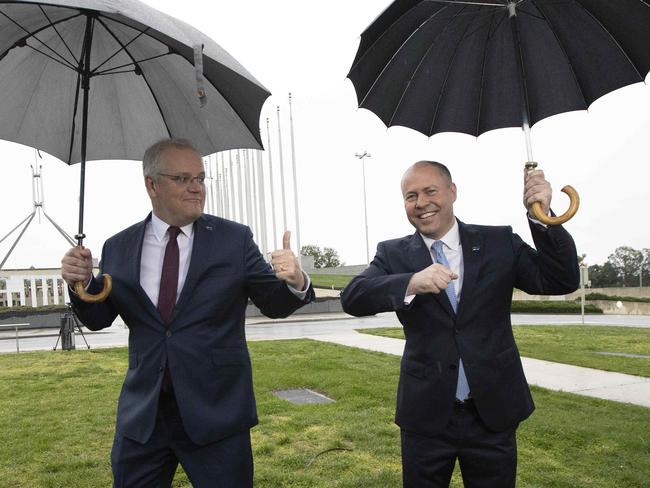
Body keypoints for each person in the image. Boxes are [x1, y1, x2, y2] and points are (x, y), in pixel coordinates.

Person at [61, 138, 314, 488]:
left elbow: (274, 303)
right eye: (182, 179)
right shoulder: (118, 246)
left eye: (200, 178)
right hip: (144, 417)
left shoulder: (233, 240)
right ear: (151, 185)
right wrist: (82, 280)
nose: (196, 188)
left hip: (217, 415)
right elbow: (98, 318)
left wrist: (296, 280)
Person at [341, 160, 579, 488]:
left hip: (492, 414)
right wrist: (411, 282)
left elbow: (560, 279)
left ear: (452, 192)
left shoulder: (499, 242)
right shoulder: (394, 254)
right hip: (426, 417)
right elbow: (353, 297)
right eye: (411, 196)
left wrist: (544, 216)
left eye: (430, 191)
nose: (421, 202)